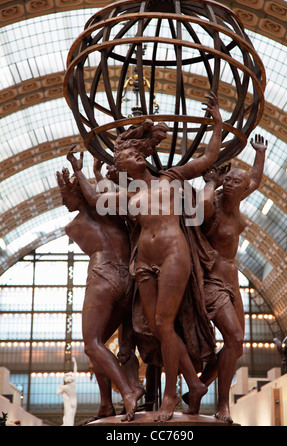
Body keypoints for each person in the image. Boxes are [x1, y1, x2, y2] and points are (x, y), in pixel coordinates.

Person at [96, 91, 223, 422]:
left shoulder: (171, 177)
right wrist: (88, 174)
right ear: (120, 168)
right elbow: (97, 198)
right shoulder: (126, 195)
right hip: (144, 263)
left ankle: (170, 395)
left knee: (165, 324)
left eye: (138, 156)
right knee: (157, 328)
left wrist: (218, 123)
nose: (136, 159)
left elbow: (208, 159)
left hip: (173, 253)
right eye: (127, 159)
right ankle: (194, 385)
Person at [56, 155, 144, 423]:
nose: (64, 201)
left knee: (92, 344)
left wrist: (82, 174)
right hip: (128, 280)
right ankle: (106, 404)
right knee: (107, 346)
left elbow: (94, 196)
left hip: (102, 277)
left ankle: (129, 391)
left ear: (78, 194)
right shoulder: (112, 210)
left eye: (66, 195)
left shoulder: (75, 224)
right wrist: (91, 174)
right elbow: (102, 195)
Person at [197, 133, 268, 423]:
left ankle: (199, 389)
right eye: (228, 181)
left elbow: (254, 179)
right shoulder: (213, 205)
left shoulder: (238, 199)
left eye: (235, 182)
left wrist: (260, 154)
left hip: (233, 281)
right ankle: (222, 404)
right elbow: (199, 208)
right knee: (235, 336)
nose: (231, 184)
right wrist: (210, 182)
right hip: (212, 281)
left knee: (236, 346)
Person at [56, 357, 77, 426]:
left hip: (69, 403)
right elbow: (75, 371)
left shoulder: (64, 387)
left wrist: (60, 386)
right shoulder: (73, 385)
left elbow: (57, 393)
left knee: (68, 418)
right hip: (74, 402)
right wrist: (74, 362)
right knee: (71, 418)